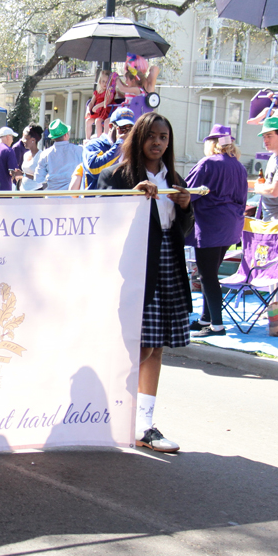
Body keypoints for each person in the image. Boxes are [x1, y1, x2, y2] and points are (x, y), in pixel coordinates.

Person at [97, 112, 193, 453]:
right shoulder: (117, 175)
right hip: (135, 266)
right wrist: (131, 198)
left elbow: (180, 230)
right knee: (137, 346)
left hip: (168, 262)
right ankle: (113, 416)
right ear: (138, 138)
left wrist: (185, 206)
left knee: (156, 347)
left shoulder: (175, 178)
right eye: (151, 135)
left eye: (164, 137)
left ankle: (144, 425)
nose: (158, 142)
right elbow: (101, 222)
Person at [184, 125, 248, 338]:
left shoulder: (208, 163)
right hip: (231, 225)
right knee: (210, 272)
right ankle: (206, 318)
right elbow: (243, 200)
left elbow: (189, 192)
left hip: (211, 225)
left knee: (207, 275)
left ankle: (217, 326)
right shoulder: (239, 167)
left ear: (211, 143)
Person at [79, 107, 135, 190]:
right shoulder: (93, 145)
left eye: (130, 129)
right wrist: (119, 144)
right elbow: (94, 169)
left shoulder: (131, 148)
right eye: (122, 129)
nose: (127, 134)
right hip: (96, 200)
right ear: (110, 126)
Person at [33, 119, 83, 193]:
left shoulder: (45, 154)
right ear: (66, 135)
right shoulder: (79, 150)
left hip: (52, 196)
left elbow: (38, 178)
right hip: (72, 196)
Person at [85, 69, 113, 139]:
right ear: (100, 81)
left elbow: (107, 101)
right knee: (88, 121)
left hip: (105, 111)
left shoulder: (110, 92)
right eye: (103, 81)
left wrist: (97, 106)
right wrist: (88, 110)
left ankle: (99, 139)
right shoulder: (97, 92)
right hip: (97, 112)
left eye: (107, 82)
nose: (104, 84)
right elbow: (91, 102)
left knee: (98, 121)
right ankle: (87, 139)